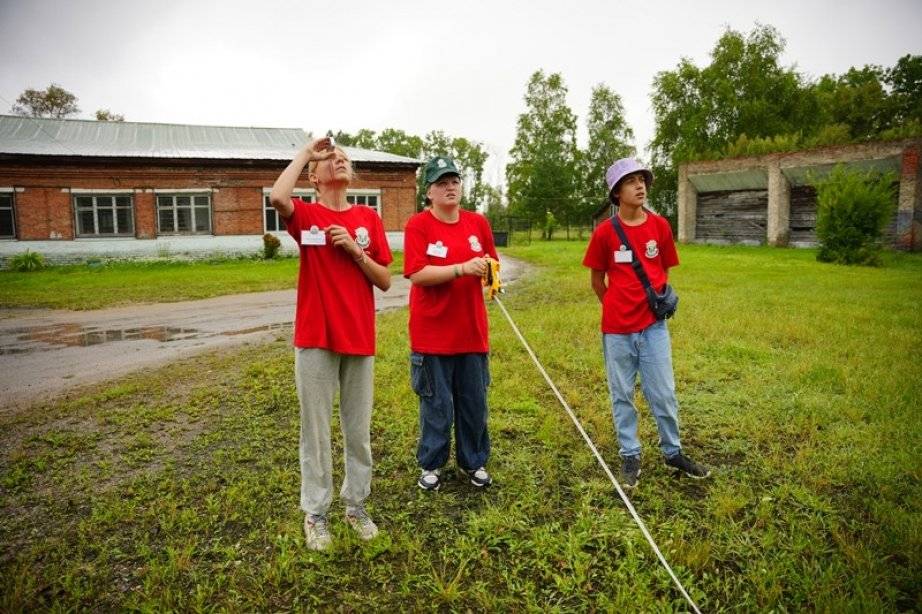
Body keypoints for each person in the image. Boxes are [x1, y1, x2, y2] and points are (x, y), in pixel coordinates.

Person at [269, 136, 392, 550]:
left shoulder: (368, 218)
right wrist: (307, 151)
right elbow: (276, 197)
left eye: (343, 159)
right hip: (316, 337)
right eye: (330, 160)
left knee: (358, 430)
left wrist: (356, 251)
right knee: (316, 431)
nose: (337, 162)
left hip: (359, 336)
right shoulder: (307, 216)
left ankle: (356, 504)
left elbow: (386, 280)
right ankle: (316, 513)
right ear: (315, 176)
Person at [582, 158, 710, 490]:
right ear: (616, 192)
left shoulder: (660, 227)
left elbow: (663, 270)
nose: (639, 186)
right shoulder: (604, 234)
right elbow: (598, 281)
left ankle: (673, 452)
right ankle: (630, 455)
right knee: (621, 394)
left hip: (653, 328)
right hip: (617, 331)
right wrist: (616, 307)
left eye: (642, 180)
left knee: (664, 393)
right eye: (631, 181)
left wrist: (651, 303)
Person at [403, 156, 497, 492]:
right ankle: (432, 464)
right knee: (437, 406)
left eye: (454, 180)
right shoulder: (419, 226)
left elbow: (490, 267)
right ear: (428, 191)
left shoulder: (478, 224)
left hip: (472, 334)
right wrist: (460, 268)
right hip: (432, 336)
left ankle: (474, 462)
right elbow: (417, 273)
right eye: (442, 182)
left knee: (474, 404)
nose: (450, 187)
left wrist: (491, 281)